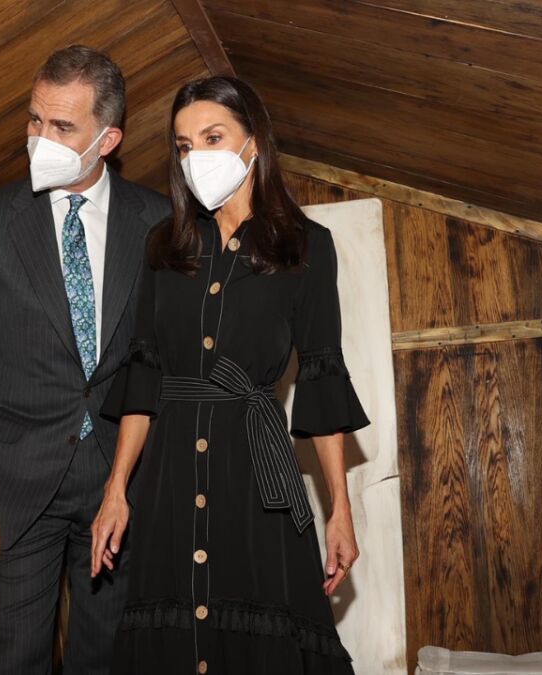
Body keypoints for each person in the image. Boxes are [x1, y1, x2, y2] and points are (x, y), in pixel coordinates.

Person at [90, 75, 369, 674]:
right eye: (185, 145)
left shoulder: (306, 247)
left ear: (254, 142)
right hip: (168, 477)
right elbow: (144, 374)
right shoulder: (163, 247)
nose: (197, 156)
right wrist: (116, 492)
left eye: (213, 137)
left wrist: (339, 511)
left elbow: (322, 378)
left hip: (255, 478)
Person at [0, 45, 170, 675]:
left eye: (63, 126)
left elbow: (162, 366)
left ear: (108, 139)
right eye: (35, 120)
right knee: (17, 659)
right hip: (13, 486)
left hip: (120, 481)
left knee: (107, 657)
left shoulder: (159, 223)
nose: (42, 138)